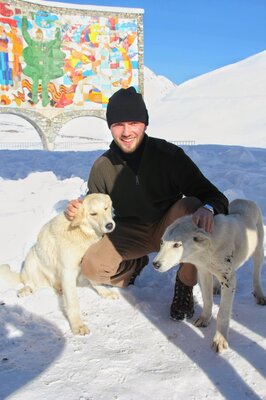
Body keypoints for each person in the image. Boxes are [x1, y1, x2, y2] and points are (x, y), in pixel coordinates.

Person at [66, 86, 228, 321]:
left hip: (169, 226)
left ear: (145, 124)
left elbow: (213, 195)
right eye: (118, 124)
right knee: (92, 268)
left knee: (191, 206)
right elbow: (95, 206)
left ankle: (184, 284)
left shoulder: (169, 155)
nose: (126, 131)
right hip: (129, 232)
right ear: (110, 127)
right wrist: (78, 211)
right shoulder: (102, 166)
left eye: (133, 122)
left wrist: (208, 208)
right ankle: (133, 265)